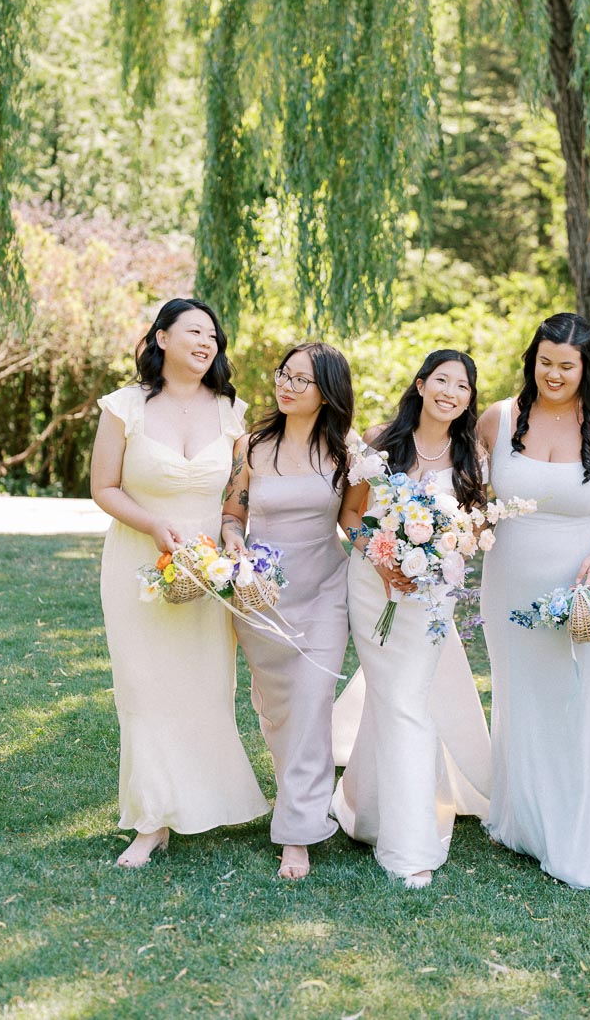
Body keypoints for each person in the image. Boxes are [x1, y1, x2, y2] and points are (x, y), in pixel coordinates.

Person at [91, 298, 270, 868]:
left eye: (213, 334)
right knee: (144, 689)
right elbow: (104, 487)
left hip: (207, 569)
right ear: (161, 338)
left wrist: (232, 535)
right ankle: (151, 821)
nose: (206, 341)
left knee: (205, 687)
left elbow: (236, 492)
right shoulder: (125, 408)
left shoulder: (230, 410)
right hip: (139, 560)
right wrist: (153, 524)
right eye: (193, 331)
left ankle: (198, 801)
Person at [478, 312, 590, 888]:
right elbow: (461, 488)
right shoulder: (497, 420)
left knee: (579, 702)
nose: (554, 374)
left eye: (566, 366)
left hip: (584, 584)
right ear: (533, 360)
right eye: (545, 362)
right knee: (521, 698)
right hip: (509, 584)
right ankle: (520, 821)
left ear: (586, 368)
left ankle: (572, 840)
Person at [331, 349, 492, 889]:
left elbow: (471, 531)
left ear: (470, 398)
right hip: (373, 586)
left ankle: (388, 825)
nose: (450, 391)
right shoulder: (382, 441)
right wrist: (383, 561)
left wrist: (437, 557)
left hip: (430, 596)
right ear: (421, 384)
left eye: (462, 385)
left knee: (407, 702)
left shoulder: (472, 455)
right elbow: (350, 515)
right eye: (441, 380)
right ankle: (398, 834)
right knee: (393, 698)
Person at [221, 342, 359, 881]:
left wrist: (400, 554)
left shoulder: (348, 452)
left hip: (325, 590)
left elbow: (354, 520)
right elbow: (233, 515)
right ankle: (298, 797)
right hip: (262, 596)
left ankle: (297, 833)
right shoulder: (251, 446)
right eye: (285, 374)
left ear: (327, 392)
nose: (287, 385)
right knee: (280, 713)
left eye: (303, 380)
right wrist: (237, 548)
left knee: (310, 703)